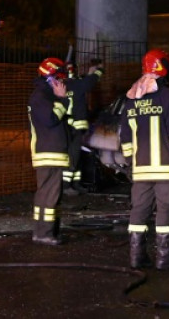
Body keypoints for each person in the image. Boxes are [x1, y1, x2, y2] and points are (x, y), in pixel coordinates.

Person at [120, 49, 169, 270]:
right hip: (166, 169)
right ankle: (164, 258)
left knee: (139, 210)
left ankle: (136, 256)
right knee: (167, 210)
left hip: (140, 170)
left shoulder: (131, 99)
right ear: (164, 69)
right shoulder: (168, 97)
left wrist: (129, 162)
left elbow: (125, 137)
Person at [27, 57, 71, 245]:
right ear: (51, 78)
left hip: (53, 152)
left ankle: (48, 231)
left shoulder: (45, 95)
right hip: (48, 153)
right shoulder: (41, 96)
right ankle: (43, 233)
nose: (62, 83)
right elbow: (51, 119)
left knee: (52, 194)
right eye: (59, 79)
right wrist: (62, 99)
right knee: (48, 194)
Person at [62, 58, 104, 194]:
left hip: (67, 127)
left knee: (76, 155)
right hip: (75, 127)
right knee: (73, 156)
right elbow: (90, 82)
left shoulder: (63, 85)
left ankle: (76, 183)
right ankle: (67, 186)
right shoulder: (77, 85)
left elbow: (83, 82)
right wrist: (99, 71)